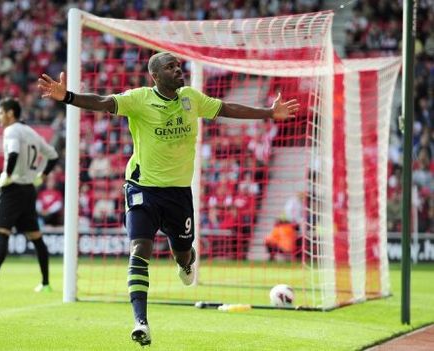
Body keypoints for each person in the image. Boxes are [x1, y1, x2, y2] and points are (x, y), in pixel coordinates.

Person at [37, 52, 299, 346]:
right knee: (140, 249)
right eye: (170, 67)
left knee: (183, 253)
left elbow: (227, 108)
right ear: (155, 76)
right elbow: (102, 101)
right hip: (142, 187)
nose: (178, 70)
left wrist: (269, 112)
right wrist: (67, 96)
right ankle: (141, 321)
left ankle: (185, 262)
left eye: (178, 65)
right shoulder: (139, 99)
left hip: (178, 192)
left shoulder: (191, 97)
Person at [0, 98, 59, 293]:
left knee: (2, 233)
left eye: (0, 113)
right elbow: (53, 155)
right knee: (36, 238)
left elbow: (14, 153)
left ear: (10, 113)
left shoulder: (11, 130)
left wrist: (7, 175)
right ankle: (45, 283)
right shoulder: (32, 133)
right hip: (28, 191)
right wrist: (41, 175)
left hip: (13, 188)